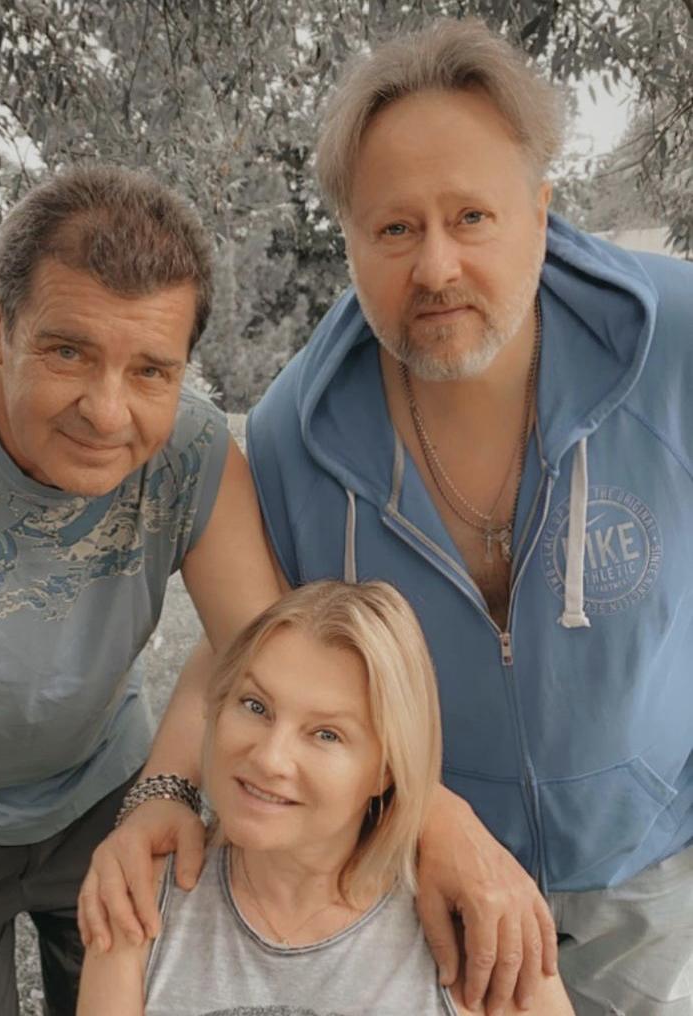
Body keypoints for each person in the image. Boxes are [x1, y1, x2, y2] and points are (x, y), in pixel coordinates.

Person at [242, 18, 693, 1016]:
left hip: (649, 874)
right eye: (395, 229)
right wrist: (413, 825)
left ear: (540, 209)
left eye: (472, 216)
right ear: (349, 238)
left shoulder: (676, 344)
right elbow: (283, 697)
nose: (437, 267)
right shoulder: (287, 439)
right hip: (426, 886)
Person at [0, 164, 280, 1016]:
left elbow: (262, 651)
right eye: (68, 351)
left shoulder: (195, 449)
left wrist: (166, 791)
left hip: (102, 788)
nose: (107, 411)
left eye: (151, 371)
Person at [76, 580, 575, 1015]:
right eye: (255, 706)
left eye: (326, 734)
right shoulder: (137, 899)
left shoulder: (477, 926)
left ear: (386, 770)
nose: (270, 757)